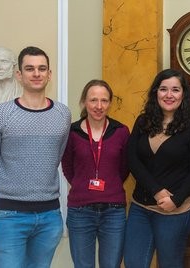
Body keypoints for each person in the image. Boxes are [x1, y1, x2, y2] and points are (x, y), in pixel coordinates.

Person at [0, 46, 71, 268]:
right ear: (19, 75)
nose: (36, 73)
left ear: (49, 74)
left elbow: (56, 155)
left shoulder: (62, 114)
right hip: (10, 216)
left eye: (42, 68)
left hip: (49, 216)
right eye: (29, 68)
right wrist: (6, 190)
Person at [123, 69, 190, 268]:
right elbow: (132, 158)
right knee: (134, 263)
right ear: (156, 93)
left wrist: (175, 200)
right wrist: (156, 190)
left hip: (176, 211)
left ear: (183, 94)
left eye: (175, 90)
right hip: (141, 207)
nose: (169, 95)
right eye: (163, 89)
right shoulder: (143, 122)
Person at [61, 79, 130, 268]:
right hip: (80, 211)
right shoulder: (72, 132)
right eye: (93, 100)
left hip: (113, 211)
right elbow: (67, 166)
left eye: (104, 101)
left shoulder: (121, 132)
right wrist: (82, 185)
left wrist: (110, 183)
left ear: (110, 103)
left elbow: (124, 168)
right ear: (84, 102)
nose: (99, 106)